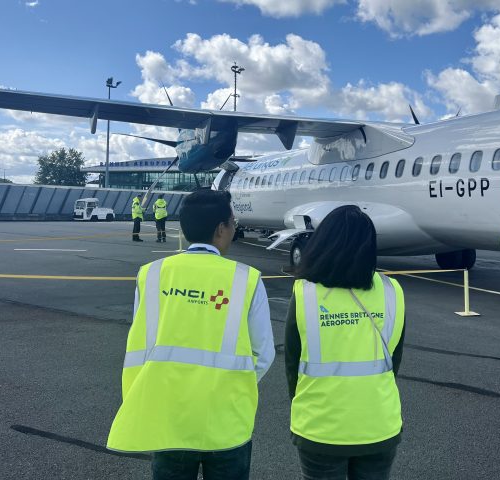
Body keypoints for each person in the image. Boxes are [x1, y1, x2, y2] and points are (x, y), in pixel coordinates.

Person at [107, 189, 275, 480]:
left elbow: (144, 338)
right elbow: (263, 354)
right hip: (226, 416)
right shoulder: (246, 278)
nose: (234, 230)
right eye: (233, 223)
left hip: (169, 414)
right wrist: (234, 383)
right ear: (221, 229)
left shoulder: (151, 273)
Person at [284, 205, 406, 480]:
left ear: (323, 243)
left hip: (320, 427)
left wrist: (303, 406)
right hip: (379, 424)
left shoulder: (306, 294)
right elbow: (393, 361)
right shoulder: (392, 291)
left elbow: (292, 362)